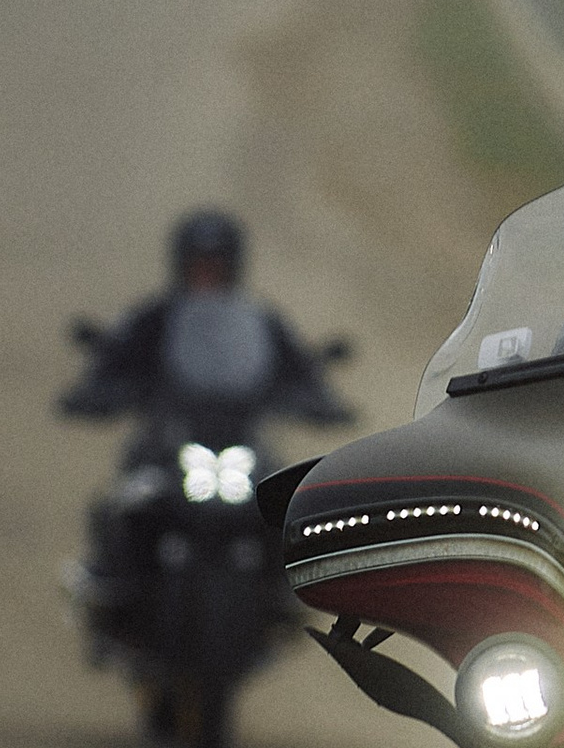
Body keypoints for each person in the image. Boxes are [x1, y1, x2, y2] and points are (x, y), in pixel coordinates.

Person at [60, 208, 351, 616]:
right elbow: (113, 359)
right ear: (180, 266)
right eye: (199, 267)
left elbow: (300, 368)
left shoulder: (262, 323)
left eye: (216, 267)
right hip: (166, 442)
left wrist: (323, 403)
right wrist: (93, 393)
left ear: (234, 267)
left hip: (241, 441)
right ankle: (109, 581)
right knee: (126, 502)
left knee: (285, 506)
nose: (207, 277)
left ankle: (282, 593)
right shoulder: (155, 318)